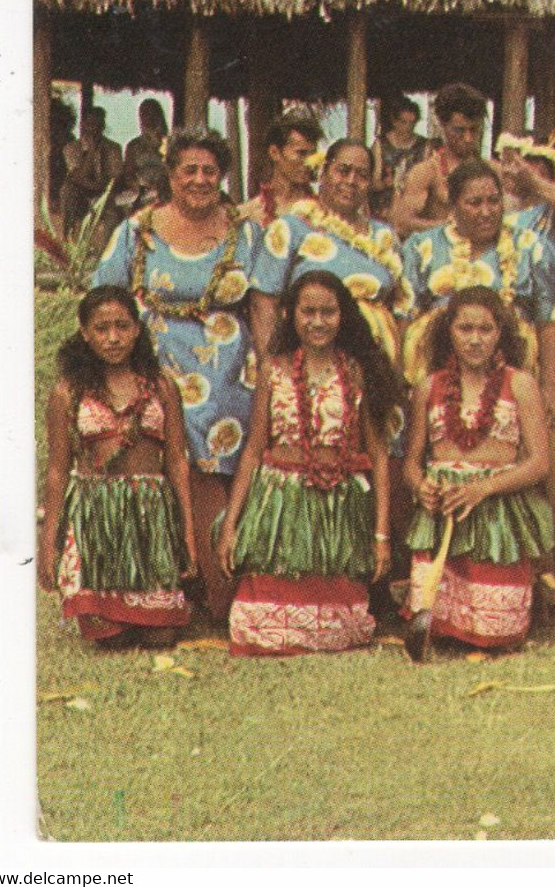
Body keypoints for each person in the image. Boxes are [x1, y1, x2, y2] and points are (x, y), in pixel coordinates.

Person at [93, 127, 280, 621]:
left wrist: (270, 366)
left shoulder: (247, 232)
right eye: (188, 170)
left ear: (222, 177)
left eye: (209, 171)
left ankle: (222, 576)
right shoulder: (137, 231)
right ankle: (168, 582)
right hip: (155, 365)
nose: (199, 179)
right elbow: (104, 300)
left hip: (228, 372)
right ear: (171, 175)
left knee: (221, 445)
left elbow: (262, 306)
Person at [218, 272, 402, 656]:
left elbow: (379, 456)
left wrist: (381, 534)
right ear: (291, 314)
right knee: (267, 630)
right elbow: (253, 449)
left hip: (338, 502)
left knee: (339, 628)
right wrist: (231, 524)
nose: (318, 322)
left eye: (328, 312)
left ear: (343, 316)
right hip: (279, 500)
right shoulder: (274, 369)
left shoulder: (355, 371)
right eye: (308, 312)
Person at [40, 286, 197, 646]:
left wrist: (186, 533)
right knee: (111, 637)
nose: (113, 338)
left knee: (162, 635)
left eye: (122, 326)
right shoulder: (69, 392)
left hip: (149, 514)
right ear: (85, 333)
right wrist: (49, 541)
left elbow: (176, 462)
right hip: (98, 518)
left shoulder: (161, 386)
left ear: (137, 330)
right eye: (101, 328)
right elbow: (57, 470)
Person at [402, 287, 553, 651]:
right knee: (436, 624)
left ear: (500, 332)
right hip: (444, 515)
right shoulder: (428, 387)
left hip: (497, 511)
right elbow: (411, 462)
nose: (474, 340)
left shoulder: (521, 384)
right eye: (464, 329)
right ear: (448, 332)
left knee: (496, 633)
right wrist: (421, 485)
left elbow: (539, 463)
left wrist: (482, 488)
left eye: (485, 330)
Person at [402, 159, 555, 414]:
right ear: (453, 207)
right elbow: (405, 314)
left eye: (494, 201)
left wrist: (551, 387)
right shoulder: (422, 246)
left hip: (513, 372)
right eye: (475, 203)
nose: (486, 211)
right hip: (437, 370)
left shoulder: (530, 246)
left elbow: (549, 318)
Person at [256, 139, 416, 366]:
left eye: (361, 175)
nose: (351, 181)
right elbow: (264, 302)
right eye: (342, 171)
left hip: (374, 361)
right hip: (311, 358)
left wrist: (397, 372)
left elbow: (402, 307)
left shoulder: (384, 235)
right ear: (323, 173)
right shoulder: (292, 228)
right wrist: (271, 366)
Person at [392, 82, 490, 238]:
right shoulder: (427, 172)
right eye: (459, 130)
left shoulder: (492, 170)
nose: (468, 138)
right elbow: (402, 223)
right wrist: (449, 227)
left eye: (474, 129)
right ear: (443, 125)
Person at [238, 111, 323, 226]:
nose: (310, 162)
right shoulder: (247, 214)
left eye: (313, 154)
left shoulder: (324, 213)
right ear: (274, 153)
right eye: (301, 153)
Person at [60, 106, 124, 237]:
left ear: (103, 126)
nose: (93, 129)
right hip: (81, 196)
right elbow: (77, 176)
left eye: (98, 125)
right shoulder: (72, 148)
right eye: (90, 124)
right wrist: (90, 152)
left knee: (114, 214)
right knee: (68, 190)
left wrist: (100, 188)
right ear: (83, 125)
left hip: (105, 195)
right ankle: (68, 236)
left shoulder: (113, 148)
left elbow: (115, 179)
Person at [371, 96, 428, 219]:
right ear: (394, 121)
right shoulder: (380, 145)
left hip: (414, 205)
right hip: (385, 207)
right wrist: (387, 184)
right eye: (404, 122)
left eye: (412, 123)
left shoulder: (423, 146)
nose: (408, 128)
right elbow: (373, 182)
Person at [119, 98, 171, 216]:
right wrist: (139, 186)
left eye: (152, 114)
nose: (148, 118)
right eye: (144, 114)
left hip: (165, 187)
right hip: (142, 188)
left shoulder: (169, 143)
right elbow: (128, 173)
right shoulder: (134, 145)